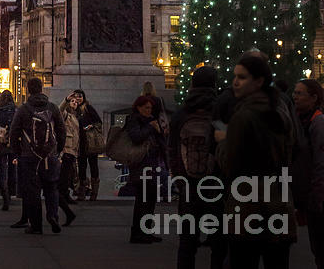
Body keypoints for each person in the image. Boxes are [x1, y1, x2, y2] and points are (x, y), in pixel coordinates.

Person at [218, 52, 295, 269]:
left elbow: (230, 164)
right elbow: (293, 149)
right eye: (235, 76)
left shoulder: (243, 115)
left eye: (242, 77)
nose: (235, 82)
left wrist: (223, 141)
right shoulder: (280, 108)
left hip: (248, 205)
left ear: (259, 81)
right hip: (279, 200)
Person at [168, 65, 219, 268]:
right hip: (215, 183)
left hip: (188, 182)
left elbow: (172, 148)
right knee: (218, 242)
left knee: (187, 242)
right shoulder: (219, 110)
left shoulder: (181, 113)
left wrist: (178, 178)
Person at [9, 77, 66, 234]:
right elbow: (62, 130)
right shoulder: (53, 108)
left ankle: (36, 226)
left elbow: (13, 133)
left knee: (32, 192)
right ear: (42, 88)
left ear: (28, 90)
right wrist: (57, 150)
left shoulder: (23, 109)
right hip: (50, 156)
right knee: (51, 187)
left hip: (29, 156)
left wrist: (18, 152)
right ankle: (53, 215)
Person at [126, 94, 167, 244]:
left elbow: (161, 142)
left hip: (153, 164)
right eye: (146, 107)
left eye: (150, 108)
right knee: (143, 200)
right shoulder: (134, 120)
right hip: (141, 165)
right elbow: (136, 137)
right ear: (138, 107)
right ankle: (137, 232)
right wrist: (150, 127)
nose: (149, 110)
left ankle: (146, 230)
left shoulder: (152, 120)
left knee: (150, 200)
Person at [292, 77, 324, 269]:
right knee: (317, 247)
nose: (295, 97)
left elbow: (320, 163)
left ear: (313, 98)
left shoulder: (318, 122)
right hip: (308, 196)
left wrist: (316, 198)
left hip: (318, 198)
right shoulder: (298, 120)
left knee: (320, 247)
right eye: (294, 92)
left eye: (299, 93)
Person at [72, 89, 102, 200]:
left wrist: (91, 126)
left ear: (84, 97)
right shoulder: (73, 109)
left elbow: (98, 122)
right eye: (76, 96)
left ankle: (94, 193)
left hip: (90, 142)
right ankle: (82, 192)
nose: (78, 99)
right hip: (80, 143)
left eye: (80, 96)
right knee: (82, 167)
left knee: (93, 166)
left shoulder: (88, 108)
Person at [0, 89, 17, 211]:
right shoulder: (16, 111)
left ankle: (5, 197)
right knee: (12, 171)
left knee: (2, 172)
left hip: (1, 145)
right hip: (13, 146)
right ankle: (11, 194)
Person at [57, 93, 79, 226]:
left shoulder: (76, 118)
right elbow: (60, 110)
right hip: (65, 152)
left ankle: (66, 209)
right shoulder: (66, 116)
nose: (75, 102)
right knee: (59, 185)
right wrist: (66, 99)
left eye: (77, 102)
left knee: (62, 184)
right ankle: (67, 211)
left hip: (72, 153)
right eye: (73, 101)